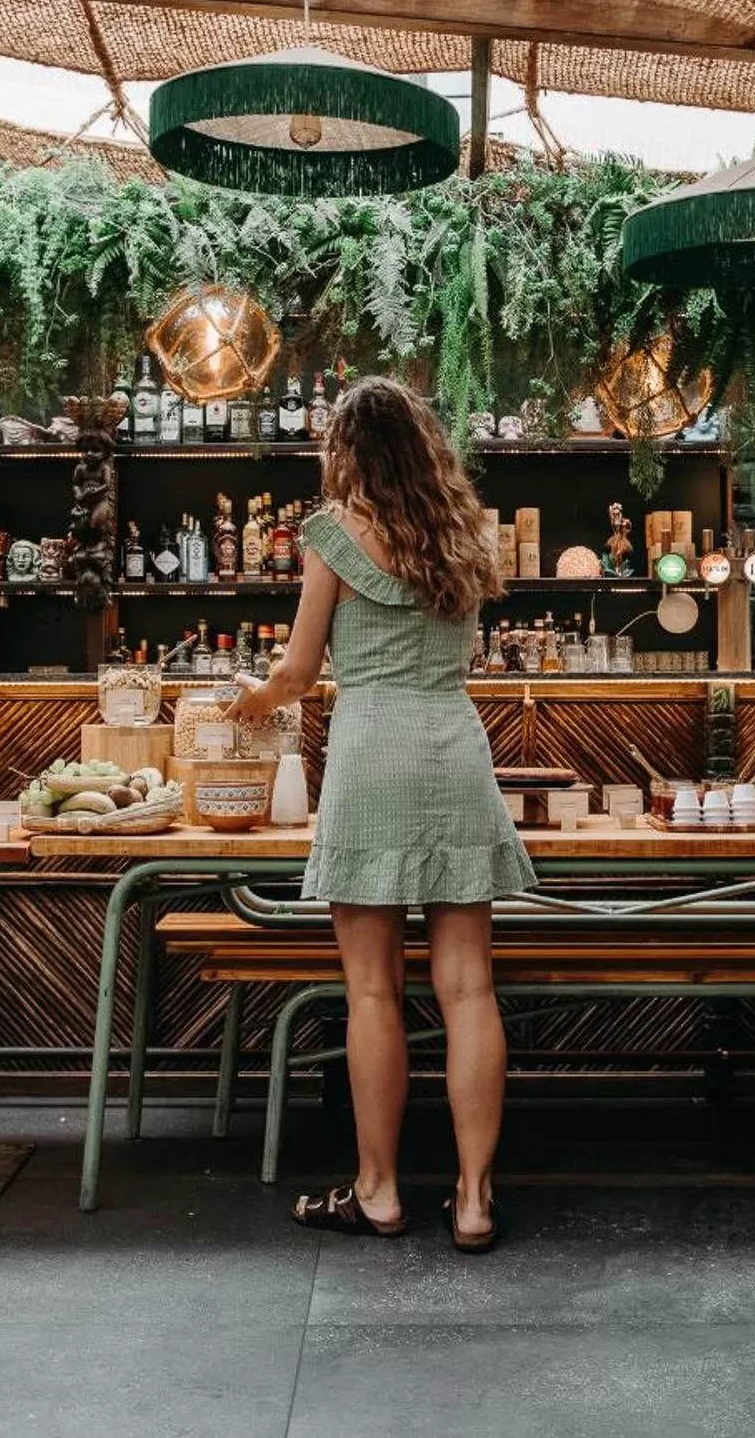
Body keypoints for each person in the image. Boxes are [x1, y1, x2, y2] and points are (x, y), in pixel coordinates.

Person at [227, 376, 532, 1253]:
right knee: (469, 986)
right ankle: (474, 1199)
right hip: (452, 748)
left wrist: (256, 700)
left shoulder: (331, 536)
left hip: (369, 755)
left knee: (372, 989)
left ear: (346, 453)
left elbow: (296, 673)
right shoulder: (465, 536)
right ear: (423, 447)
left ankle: (379, 1189)